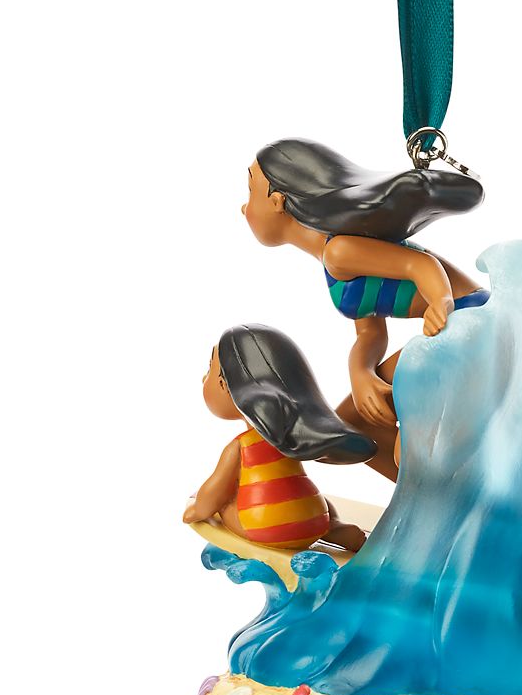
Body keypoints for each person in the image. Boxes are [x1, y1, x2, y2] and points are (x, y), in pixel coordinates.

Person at [243, 138, 487, 481]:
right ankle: (420, 495)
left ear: (277, 201)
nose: (244, 208)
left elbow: (422, 266)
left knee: (410, 449)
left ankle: (441, 490)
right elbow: (370, 332)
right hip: (455, 324)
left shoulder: (339, 252)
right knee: (352, 424)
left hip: (469, 319)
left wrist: (441, 301)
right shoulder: (335, 254)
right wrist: (361, 374)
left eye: (250, 190)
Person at [182, 323, 374, 553]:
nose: (203, 377)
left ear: (225, 385)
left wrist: (198, 508)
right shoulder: (290, 436)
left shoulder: (240, 447)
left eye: (209, 370)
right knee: (317, 501)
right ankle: (333, 527)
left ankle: (316, 528)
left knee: (224, 503)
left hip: (265, 526)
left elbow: (216, 489)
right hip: (312, 517)